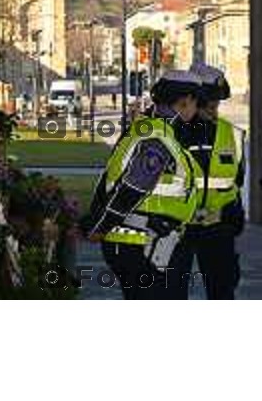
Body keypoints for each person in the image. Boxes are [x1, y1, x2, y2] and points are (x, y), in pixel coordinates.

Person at [81, 70, 203, 300]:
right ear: (184, 102)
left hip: (141, 242)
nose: (196, 110)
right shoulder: (157, 138)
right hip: (139, 244)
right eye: (196, 103)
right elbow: (131, 189)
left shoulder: (151, 130)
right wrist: (99, 226)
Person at [174, 64, 246, 300]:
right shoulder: (171, 134)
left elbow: (237, 180)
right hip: (178, 231)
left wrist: (234, 211)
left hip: (218, 230)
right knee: (171, 293)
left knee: (222, 293)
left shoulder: (232, 134)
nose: (214, 111)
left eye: (216, 104)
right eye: (209, 104)